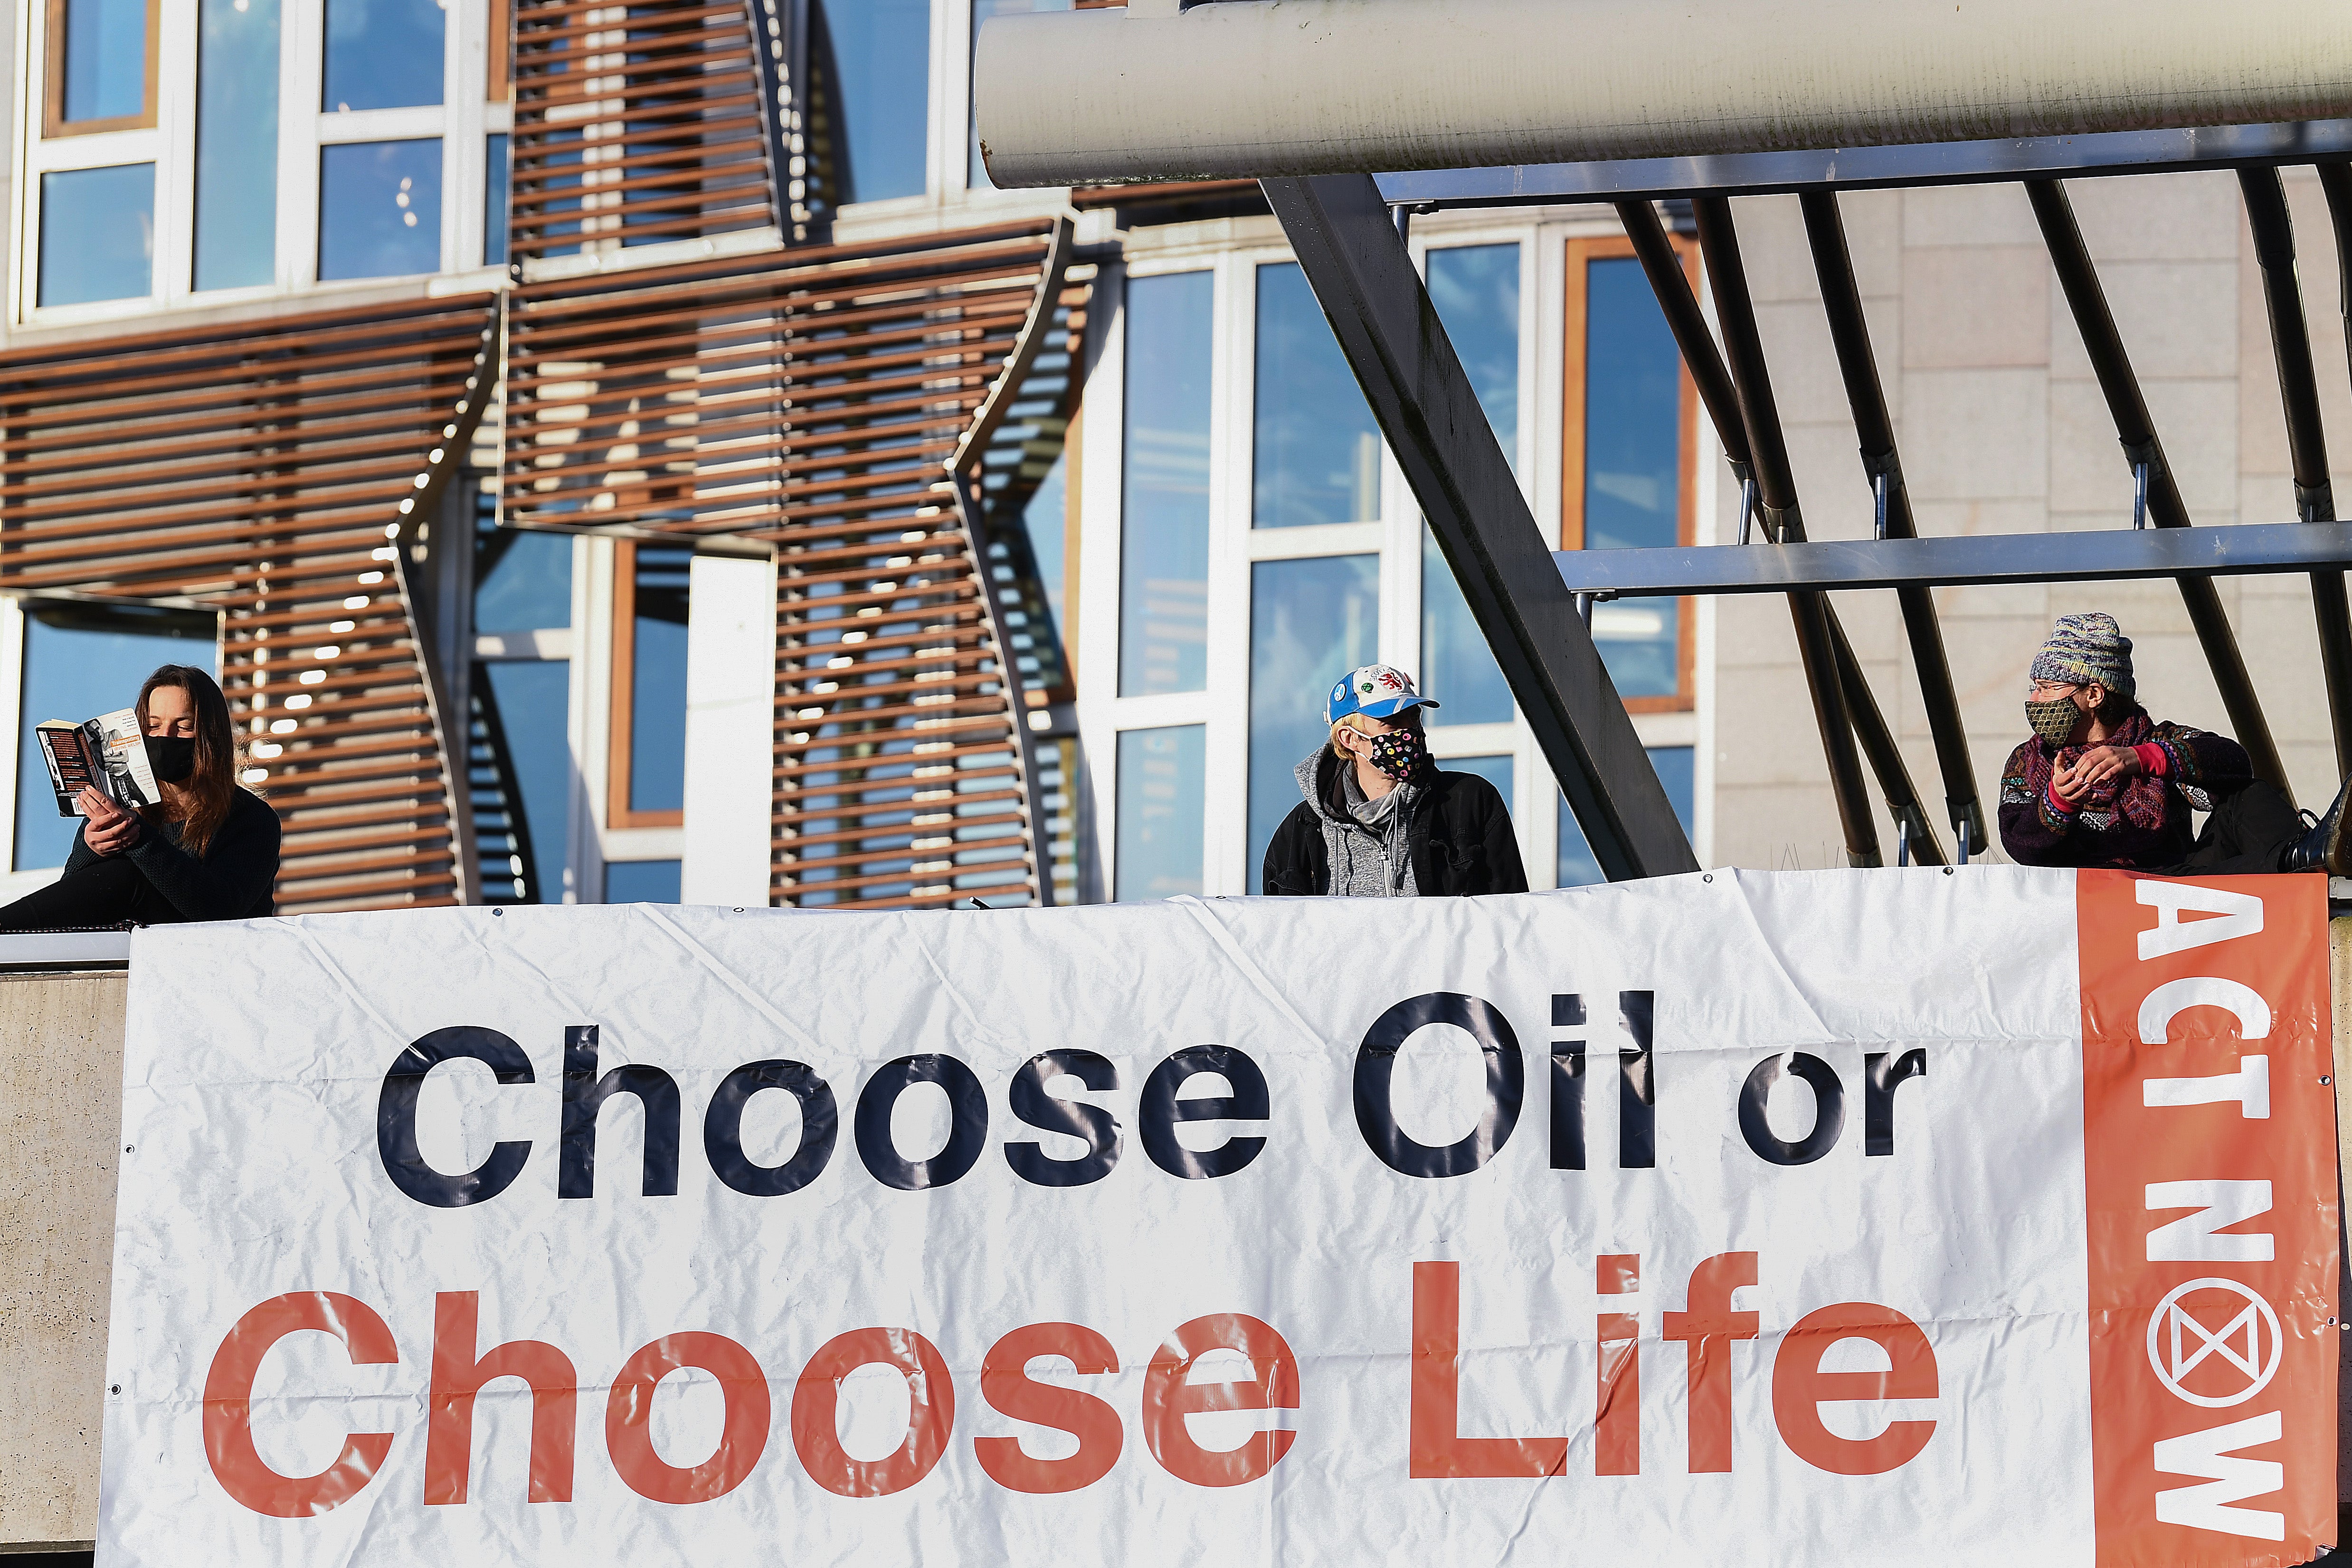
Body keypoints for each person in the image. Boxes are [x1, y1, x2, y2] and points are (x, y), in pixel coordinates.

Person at [1998, 612, 2350, 875]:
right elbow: (2021, 846)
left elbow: (2235, 765)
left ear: (2092, 694)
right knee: (2223, 878)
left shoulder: (2157, 740)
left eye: (2046, 687)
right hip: (2091, 900)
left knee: (2248, 793)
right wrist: (2059, 802)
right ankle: (2299, 861)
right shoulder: (2028, 761)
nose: (2034, 698)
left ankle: (2306, 859)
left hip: (2175, 881)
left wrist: (2144, 758)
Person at [0, 665, 280, 931]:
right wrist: (91, 849)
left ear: (210, 735)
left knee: (126, 876)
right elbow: (77, 904)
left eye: (184, 726)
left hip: (213, 957)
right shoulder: (124, 804)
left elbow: (220, 909)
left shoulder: (251, 817)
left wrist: (139, 838)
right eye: (153, 725)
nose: (165, 737)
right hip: (125, 955)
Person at [1262, 664, 1527, 897]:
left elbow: (1512, 921)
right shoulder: (1301, 831)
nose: (1409, 730)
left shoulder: (1469, 802)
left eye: (1414, 716)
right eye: (1391, 722)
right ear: (1349, 738)